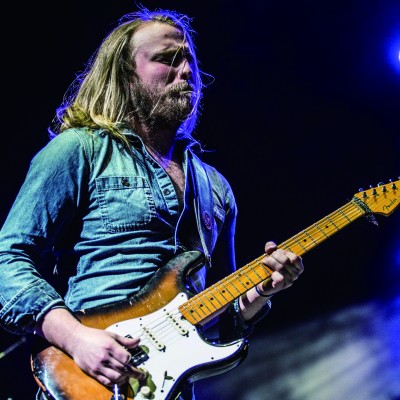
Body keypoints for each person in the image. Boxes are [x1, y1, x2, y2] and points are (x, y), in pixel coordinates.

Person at [0, 7, 304, 400]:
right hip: (90, 378)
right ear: (125, 75)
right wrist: (76, 339)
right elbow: (8, 260)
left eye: (190, 61)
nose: (186, 71)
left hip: (167, 387)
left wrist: (259, 292)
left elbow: (221, 321)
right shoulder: (80, 149)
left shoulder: (216, 188)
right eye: (166, 59)